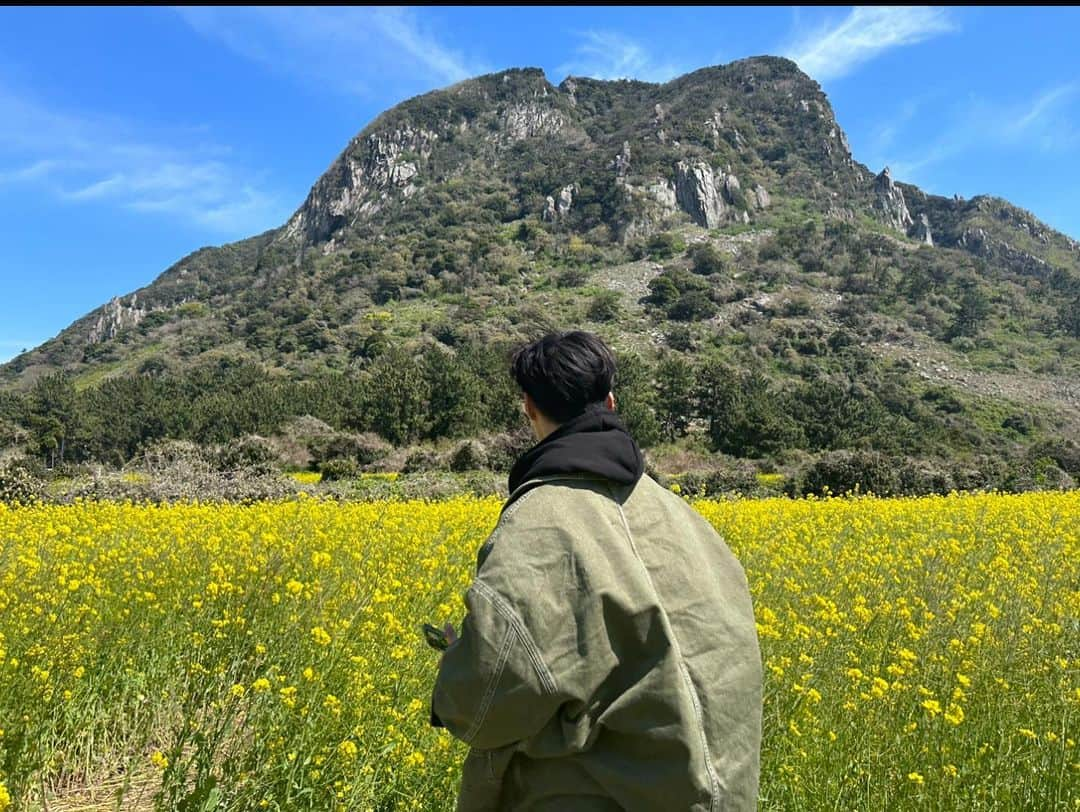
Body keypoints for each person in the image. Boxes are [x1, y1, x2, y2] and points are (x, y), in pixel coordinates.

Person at [430, 330, 762, 811]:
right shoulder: (682, 515)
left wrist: (454, 671)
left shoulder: (541, 520)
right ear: (610, 400)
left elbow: (491, 693)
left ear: (529, 409)